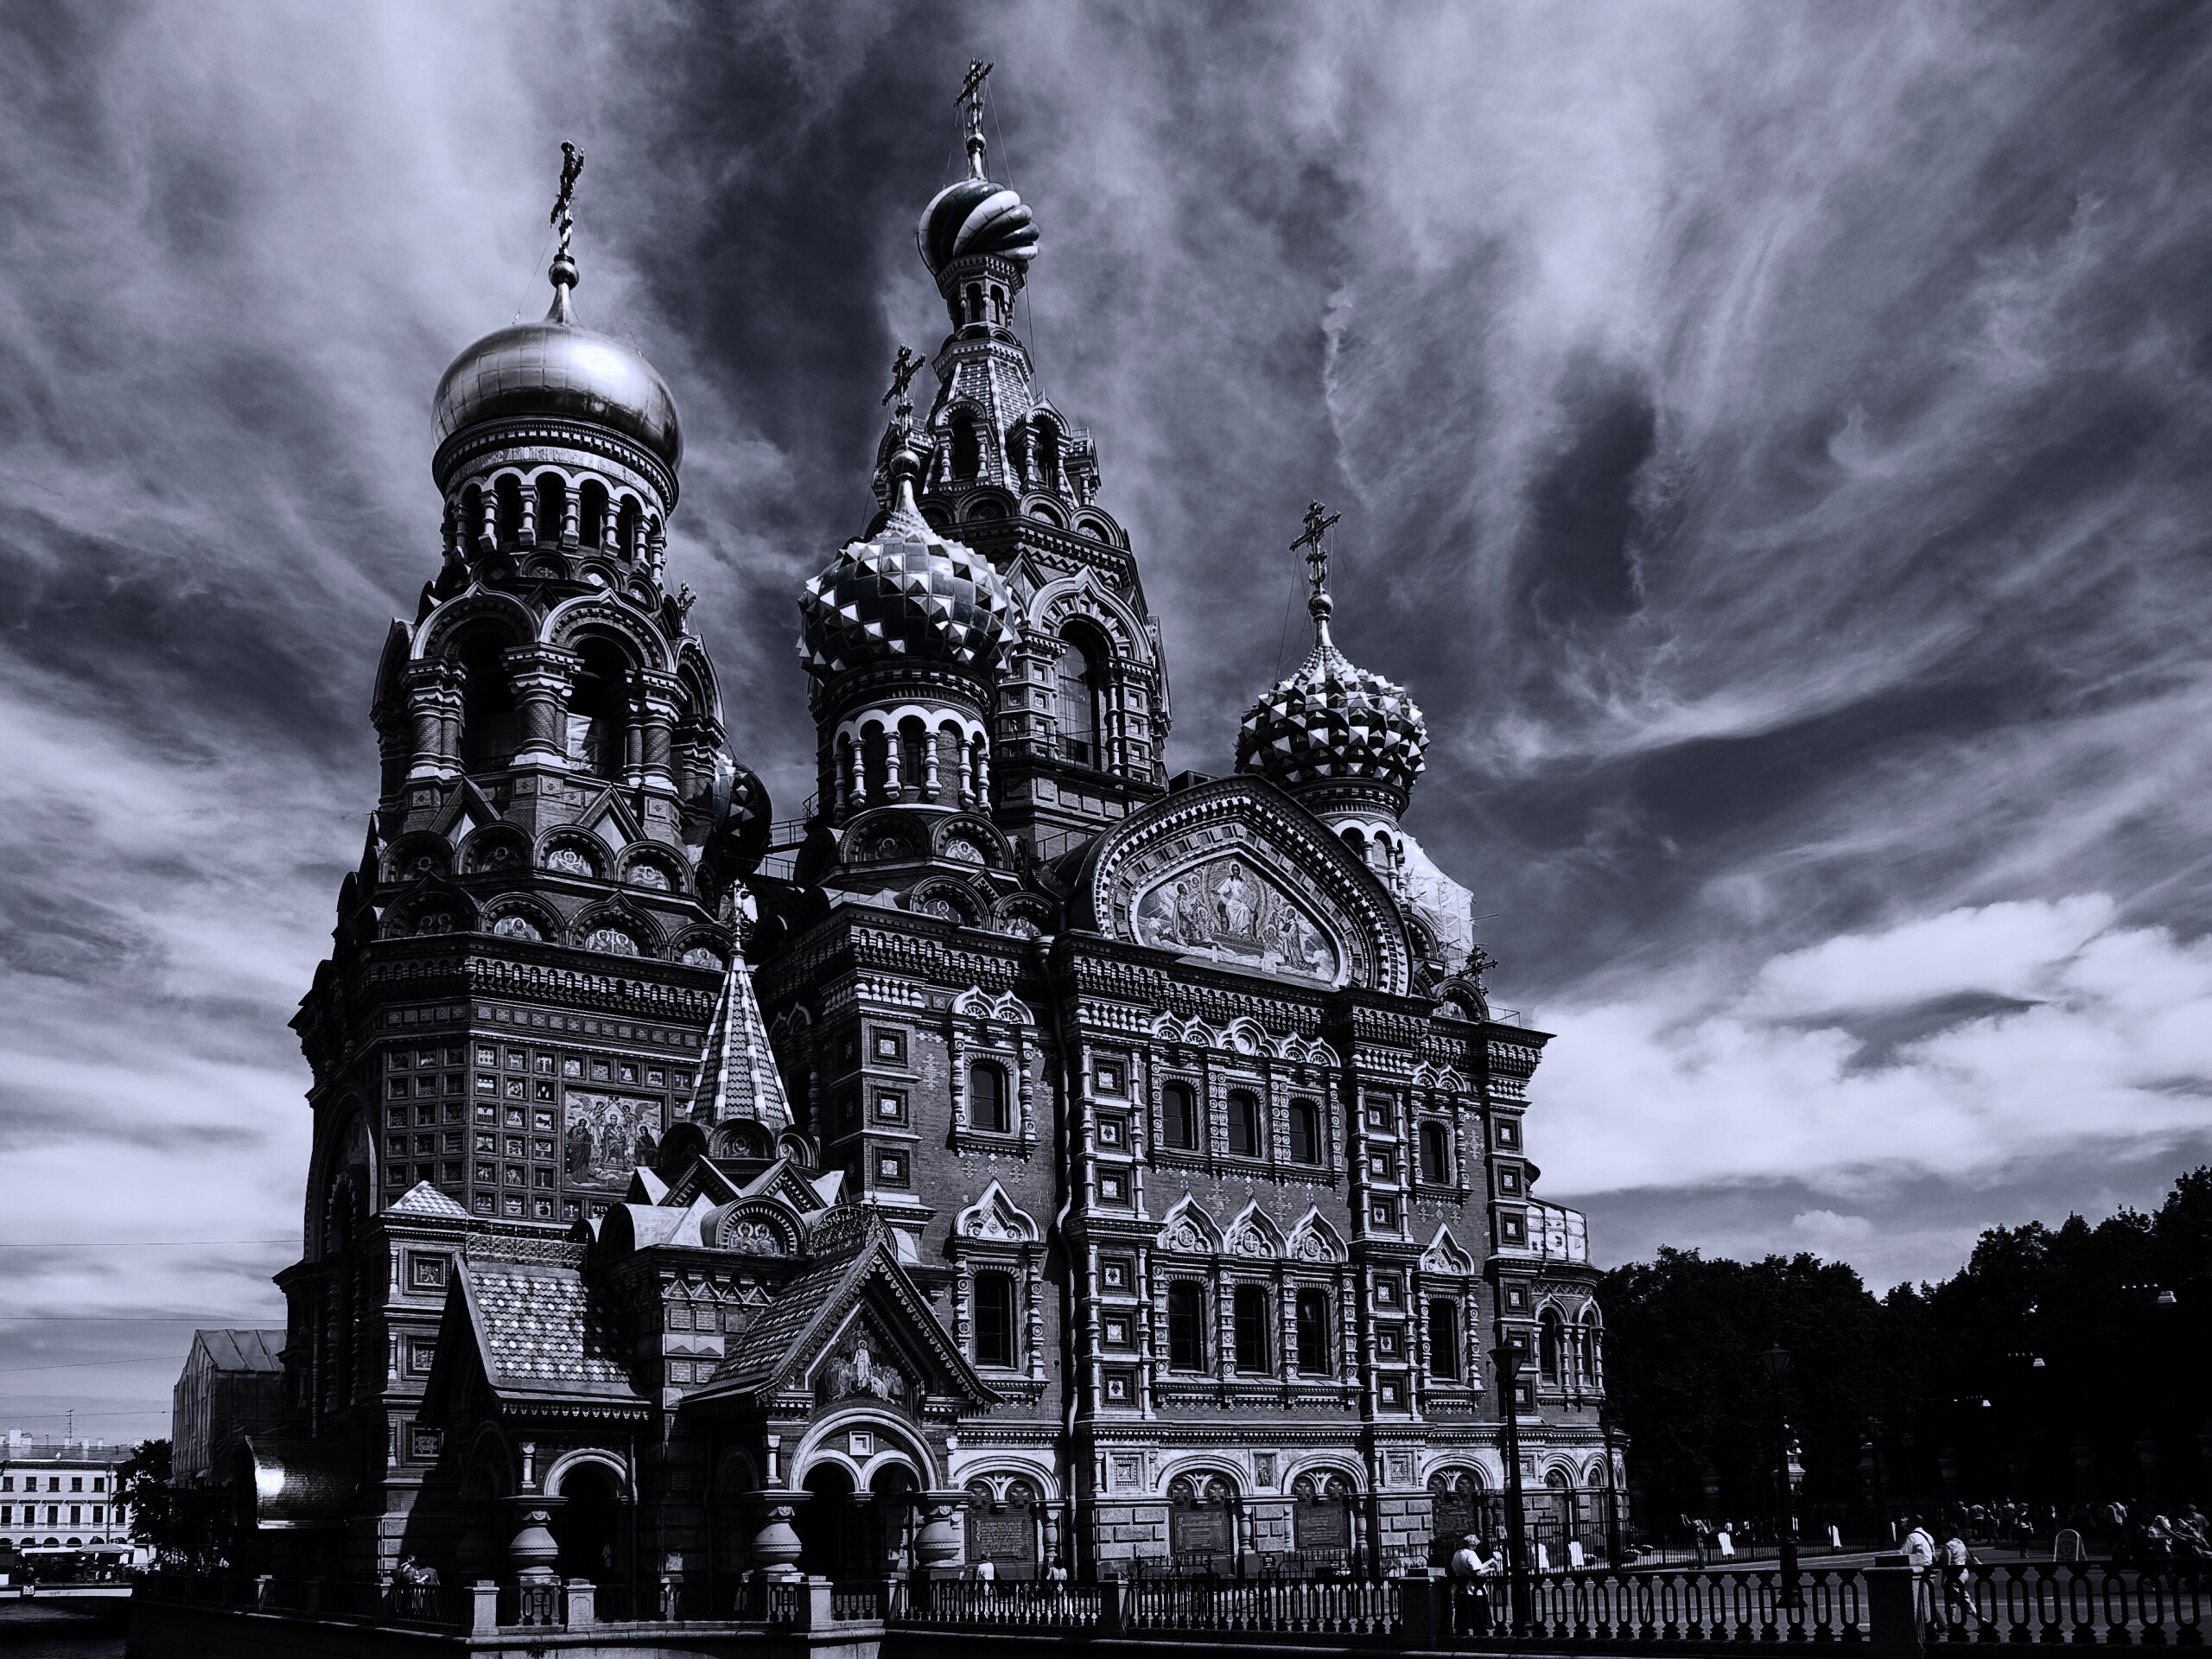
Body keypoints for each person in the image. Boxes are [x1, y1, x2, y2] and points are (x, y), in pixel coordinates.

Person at [1941, 1530, 1991, 1631]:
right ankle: (1950, 1622)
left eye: (1944, 1531)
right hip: (1964, 1572)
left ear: (1949, 1532)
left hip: (1954, 1575)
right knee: (1951, 1598)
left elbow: (1947, 1564)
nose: (1942, 1534)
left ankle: (1981, 1619)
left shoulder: (1948, 1545)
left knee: (1962, 1598)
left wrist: (1943, 1578)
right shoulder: (1960, 1543)